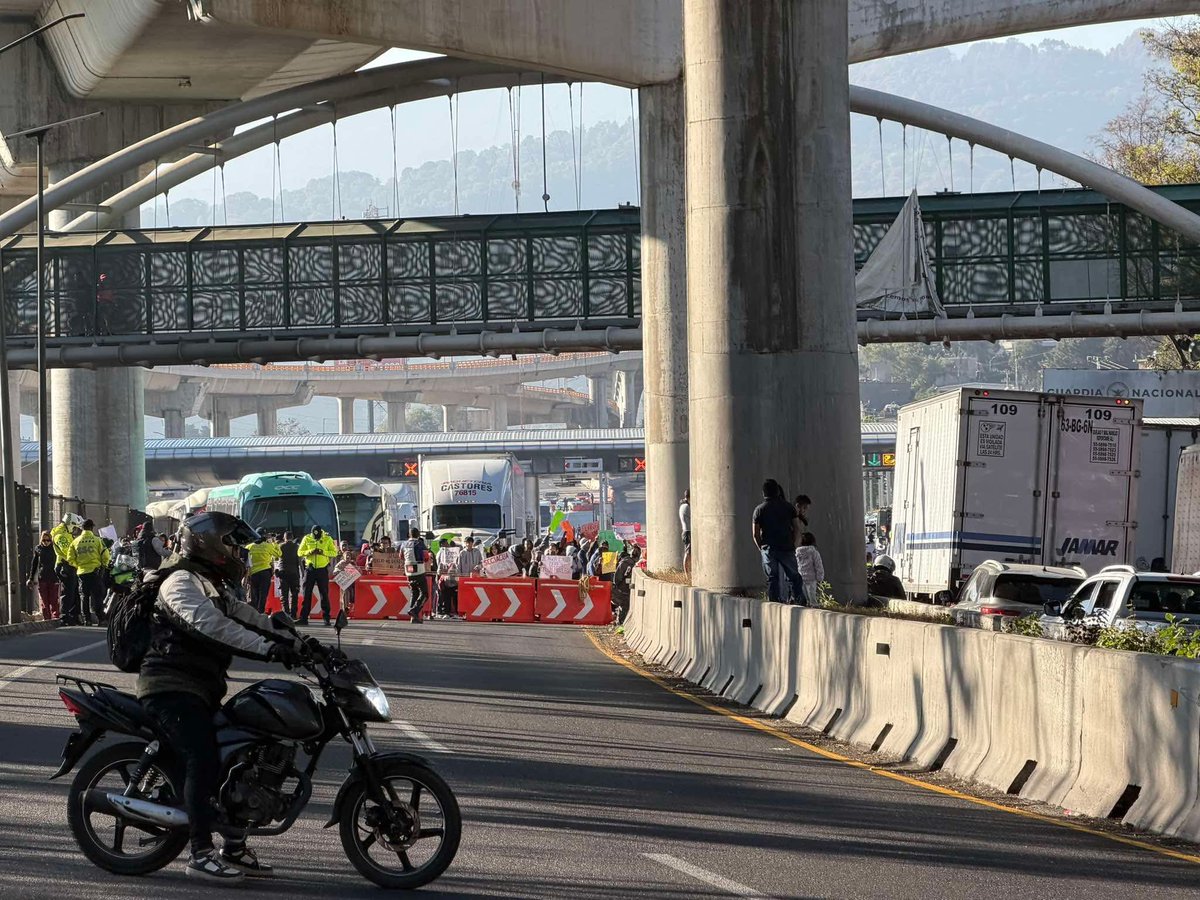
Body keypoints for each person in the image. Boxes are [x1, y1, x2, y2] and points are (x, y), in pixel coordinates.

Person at [137, 511, 309, 882]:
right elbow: (214, 627)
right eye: (232, 542)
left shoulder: (210, 584)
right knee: (203, 758)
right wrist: (268, 650)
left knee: (247, 752)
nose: (238, 551)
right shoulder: (179, 581)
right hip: (170, 688)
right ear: (208, 541)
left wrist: (300, 642)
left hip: (200, 688)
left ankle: (234, 846)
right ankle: (199, 853)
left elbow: (248, 616)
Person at [752, 479, 804, 604]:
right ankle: (798, 601)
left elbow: (755, 533)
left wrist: (762, 548)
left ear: (764, 493)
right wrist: (795, 544)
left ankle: (773, 604)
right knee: (793, 576)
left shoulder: (759, 509)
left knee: (772, 578)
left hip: (769, 548)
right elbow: (797, 528)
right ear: (777, 491)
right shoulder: (788, 507)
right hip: (786, 546)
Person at [69, 519, 111, 625]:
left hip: (82, 573)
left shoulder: (75, 541)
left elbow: (70, 558)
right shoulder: (97, 540)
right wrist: (103, 566)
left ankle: (86, 619)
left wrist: (78, 565)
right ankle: (101, 619)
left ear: (82, 528)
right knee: (97, 596)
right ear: (92, 528)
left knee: (84, 596)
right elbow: (105, 555)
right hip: (95, 572)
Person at [298, 525, 338, 626]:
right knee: (306, 593)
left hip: (322, 569)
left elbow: (334, 553)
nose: (316, 537)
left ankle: (326, 618)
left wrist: (323, 552)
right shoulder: (307, 538)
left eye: (318, 536)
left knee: (324, 594)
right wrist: (309, 552)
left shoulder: (327, 539)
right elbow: (299, 552)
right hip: (310, 569)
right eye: (314, 535)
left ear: (321, 533)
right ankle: (303, 618)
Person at [52, 513, 84, 625]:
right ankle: (64, 616)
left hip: (71, 565)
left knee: (74, 592)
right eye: (75, 527)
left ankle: (74, 615)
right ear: (70, 524)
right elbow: (68, 551)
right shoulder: (60, 535)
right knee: (67, 592)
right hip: (65, 565)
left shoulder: (66, 534)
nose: (75, 530)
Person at [26, 531, 60, 621]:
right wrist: (31, 578)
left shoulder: (55, 549)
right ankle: (47, 618)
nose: (46, 542)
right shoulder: (38, 549)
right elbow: (34, 564)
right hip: (42, 577)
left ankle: (55, 617)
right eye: (44, 540)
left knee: (53, 599)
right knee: (44, 600)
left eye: (48, 540)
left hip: (54, 577)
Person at [246, 535, 281, 614]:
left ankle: (254, 613)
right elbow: (278, 554)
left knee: (254, 595)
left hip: (253, 574)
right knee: (263, 595)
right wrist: (274, 543)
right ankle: (260, 613)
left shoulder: (249, 546)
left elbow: (244, 560)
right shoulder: (268, 546)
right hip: (264, 573)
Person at [401, 527, 429, 623]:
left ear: (409, 535)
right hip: (419, 570)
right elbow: (426, 557)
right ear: (418, 535)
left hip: (408, 570)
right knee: (425, 594)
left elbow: (400, 556)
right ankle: (414, 610)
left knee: (414, 592)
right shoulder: (419, 543)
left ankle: (413, 617)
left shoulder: (403, 544)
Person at [612, 545, 641, 624]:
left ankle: (620, 622)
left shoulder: (626, 562)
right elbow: (617, 578)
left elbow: (617, 577)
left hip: (623, 589)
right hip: (623, 590)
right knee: (624, 606)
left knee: (624, 606)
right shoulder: (631, 564)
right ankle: (620, 622)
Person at [795, 532, 825, 608]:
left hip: (800, 577)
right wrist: (820, 577)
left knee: (804, 597)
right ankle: (814, 606)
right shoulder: (814, 552)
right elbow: (818, 565)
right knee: (812, 596)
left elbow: (795, 565)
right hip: (811, 578)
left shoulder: (797, 552)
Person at [276, 532, 301, 619]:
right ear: (292, 537)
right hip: (294, 573)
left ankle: (286, 614)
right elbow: (299, 561)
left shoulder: (280, 546)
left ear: (284, 538)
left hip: (283, 573)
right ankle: (293, 614)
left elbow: (276, 557)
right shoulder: (297, 547)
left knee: (284, 594)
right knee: (294, 594)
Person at [435, 538, 460, 619]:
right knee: (445, 596)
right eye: (446, 543)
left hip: (453, 577)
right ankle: (444, 611)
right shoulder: (440, 553)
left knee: (454, 595)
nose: (448, 545)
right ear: (442, 544)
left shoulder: (451, 553)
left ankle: (455, 612)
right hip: (444, 578)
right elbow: (439, 566)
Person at [332, 550, 360, 614]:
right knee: (346, 592)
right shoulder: (341, 563)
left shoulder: (353, 563)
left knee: (353, 593)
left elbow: (360, 572)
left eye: (349, 555)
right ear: (343, 556)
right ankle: (345, 608)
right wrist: (341, 571)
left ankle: (351, 606)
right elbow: (335, 571)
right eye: (346, 555)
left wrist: (355, 567)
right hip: (344, 583)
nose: (348, 556)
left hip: (352, 583)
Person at [679, 489, 691, 576]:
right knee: (688, 552)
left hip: (686, 531)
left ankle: (688, 573)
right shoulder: (686, 506)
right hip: (688, 532)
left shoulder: (683, 505)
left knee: (689, 552)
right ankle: (687, 574)